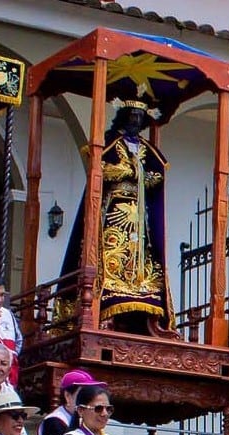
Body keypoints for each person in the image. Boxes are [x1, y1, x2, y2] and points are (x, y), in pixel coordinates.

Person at [57, 101, 172, 334]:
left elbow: (156, 174)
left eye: (140, 117)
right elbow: (102, 169)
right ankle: (103, 307)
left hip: (139, 215)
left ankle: (143, 307)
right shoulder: (110, 142)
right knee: (111, 253)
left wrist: (144, 177)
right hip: (113, 209)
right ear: (123, 116)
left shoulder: (145, 148)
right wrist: (129, 171)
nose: (136, 121)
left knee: (142, 256)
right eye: (132, 116)